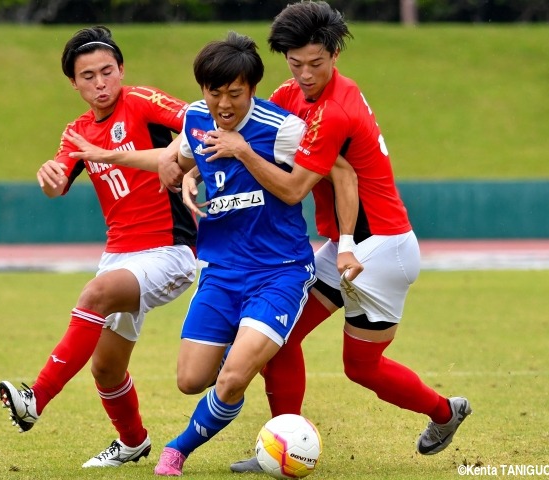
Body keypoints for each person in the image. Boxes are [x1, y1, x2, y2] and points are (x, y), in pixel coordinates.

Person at [176, 2, 472, 472]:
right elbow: (232, 129)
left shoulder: (335, 111)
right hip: (348, 245)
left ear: (335, 53)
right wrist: (189, 165)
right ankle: (284, 443)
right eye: (296, 64)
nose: (306, 74)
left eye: (316, 63)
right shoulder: (291, 94)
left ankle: (443, 411)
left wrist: (242, 151)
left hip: (379, 247)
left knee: (358, 366)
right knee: (287, 339)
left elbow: (292, 188)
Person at [141, 31, 359, 477]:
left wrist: (349, 243)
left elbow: (342, 173)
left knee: (232, 378)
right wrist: (184, 177)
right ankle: (233, 372)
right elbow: (179, 159)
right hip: (220, 272)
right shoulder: (195, 119)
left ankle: (177, 449)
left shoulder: (282, 129)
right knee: (189, 380)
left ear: (252, 89)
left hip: (278, 272)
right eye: (214, 92)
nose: (224, 104)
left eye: (235, 94)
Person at [0, 25, 198, 469]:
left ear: (121, 70)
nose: (100, 82)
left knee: (95, 294)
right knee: (106, 369)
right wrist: (49, 179)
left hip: (168, 251)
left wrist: (176, 158)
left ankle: (37, 398)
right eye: (88, 76)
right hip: (119, 256)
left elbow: (200, 122)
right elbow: (58, 184)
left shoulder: (142, 101)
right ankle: (133, 442)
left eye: (107, 71)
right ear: (74, 83)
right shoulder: (77, 133)